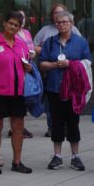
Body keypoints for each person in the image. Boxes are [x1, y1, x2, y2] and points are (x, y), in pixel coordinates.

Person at [0, 11, 33, 175]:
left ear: (19, 28)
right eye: (10, 23)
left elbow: (26, 65)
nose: (12, 27)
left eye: (16, 25)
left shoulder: (22, 45)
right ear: (4, 23)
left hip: (18, 93)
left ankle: (17, 162)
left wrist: (28, 68)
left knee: (18, 127)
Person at [39, 11, 91, 171]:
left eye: (64, 22)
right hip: (54, 88)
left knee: (73, 122)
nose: (61, 25)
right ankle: (57, 156)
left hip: (73, 90)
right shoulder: (49, 42)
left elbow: (87, 62)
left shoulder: (81, 42)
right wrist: (55, 65)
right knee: (56, 122)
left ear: (71, 23)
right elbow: (42, 64)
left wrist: (71, 64)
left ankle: (75, 156)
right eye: (58, 22)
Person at [34, 3, 82, 137]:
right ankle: (52, 127)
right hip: (52, 74)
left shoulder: (75, 31)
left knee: (69, 104)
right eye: (56, 13)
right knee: (52, 103)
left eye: (61, 14)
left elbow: (81, 48)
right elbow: (34, 45)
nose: (59, 18)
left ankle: (69, 127)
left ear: (69, 21)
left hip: (70, 76)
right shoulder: (45, 31)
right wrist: (46, 52)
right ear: (52, 16)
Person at [7, 9, 34, 139]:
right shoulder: (13, 35)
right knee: (14, 98)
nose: (21, 19)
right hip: (15, 70)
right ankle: (14, 128)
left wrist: (32, 53)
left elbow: (30, 47)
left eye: (22, 17)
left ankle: (19, 126)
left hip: (27, 67)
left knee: (24, 97)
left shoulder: (27, 33)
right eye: (18, 17)